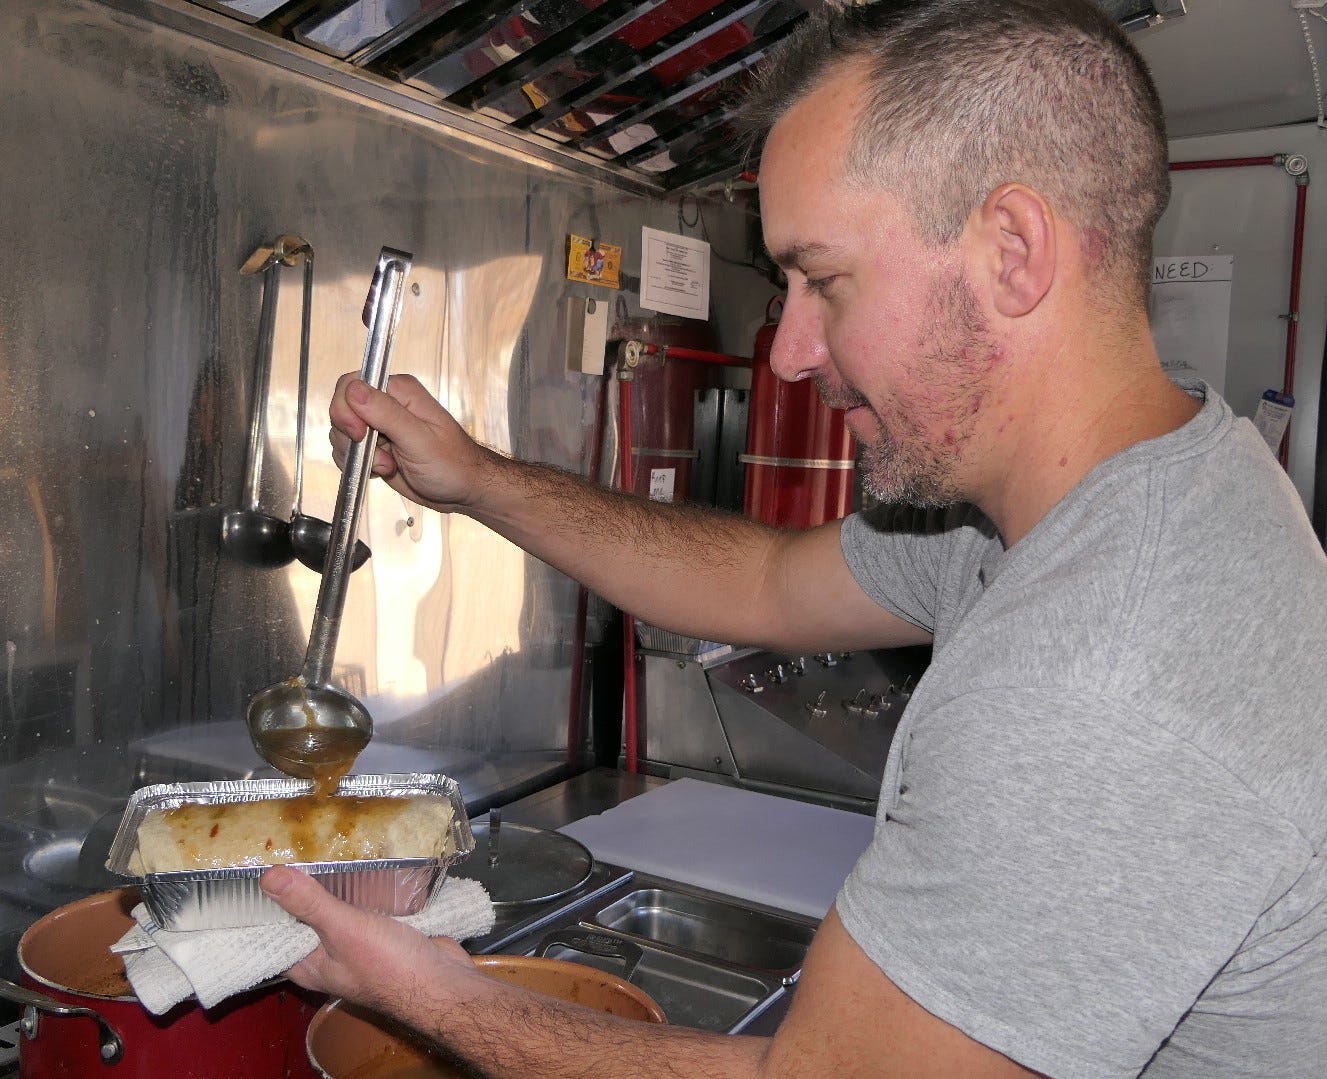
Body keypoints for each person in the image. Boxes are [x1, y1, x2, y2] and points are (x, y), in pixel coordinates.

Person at [262, 1, 1327, 1075]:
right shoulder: (1086, 498)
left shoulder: (1100, 676)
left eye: (824, 277)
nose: (788, 352)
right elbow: (765, 581)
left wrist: (411, 981)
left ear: (1012, 251)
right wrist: (480, 479)